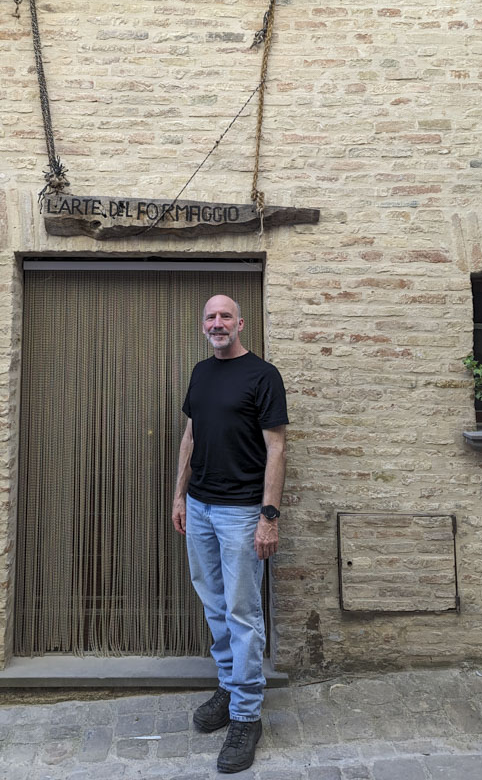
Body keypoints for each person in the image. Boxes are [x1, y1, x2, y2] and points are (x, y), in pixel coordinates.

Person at [172, 294, 288, 774]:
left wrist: (269, 516)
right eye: (210, 317)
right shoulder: (201, 373)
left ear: (241, 323)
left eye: (225, 316)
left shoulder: (264, 376)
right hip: (199, 507)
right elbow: (191, 437)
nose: (218, 323)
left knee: (243, 611)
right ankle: (229, 683)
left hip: (242, 513)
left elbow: (277, 448)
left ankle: (246, 714)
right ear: (203, 325)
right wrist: (179, 496)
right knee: (214, 604)